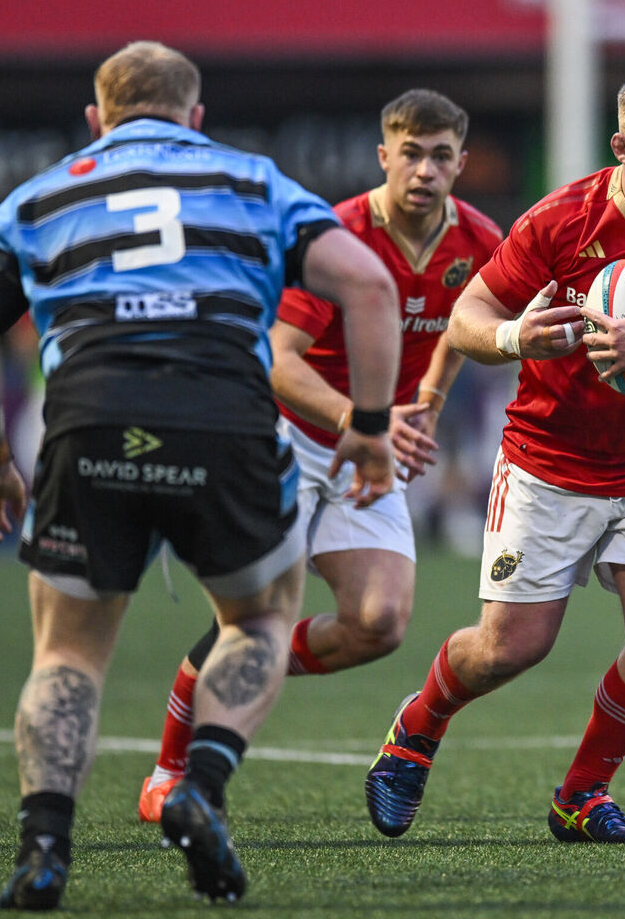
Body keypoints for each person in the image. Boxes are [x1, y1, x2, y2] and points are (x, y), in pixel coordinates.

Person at [0, 41, 399, 909]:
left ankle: (43, 847)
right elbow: (369, 286)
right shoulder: (252, 182)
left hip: (91, 420)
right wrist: (369, 430)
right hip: (223, 420)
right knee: (258, 618)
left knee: (68, 653)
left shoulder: (42, 195)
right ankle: (201, 787)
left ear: (96, 120)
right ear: (196, 117)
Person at [364, 66, 625, 843]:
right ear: (622, 146)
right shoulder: (561, 218)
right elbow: (467, 317)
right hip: (549, 464)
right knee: (508, 650)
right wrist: (516, 336)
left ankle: (582, 795)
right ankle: (417, 729)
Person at [135, 89, 504, 824]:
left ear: (461, 163)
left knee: (378, 623)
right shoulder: (338, 236)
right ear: (383, 156)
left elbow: (466, 326)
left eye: (440, 157)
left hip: (369, 446)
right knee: (253, 619)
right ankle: (168, 770)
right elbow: (277, 358)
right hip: (280, 438)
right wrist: (359, 420)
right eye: (410, 154)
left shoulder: (479, 240)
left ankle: (249, 662)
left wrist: (427, 402)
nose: (424, 171)